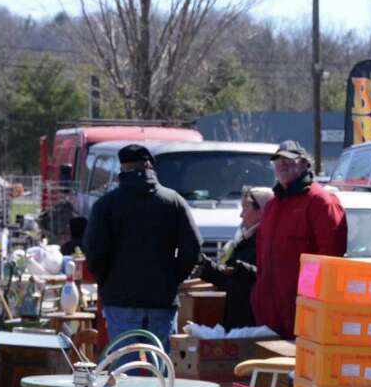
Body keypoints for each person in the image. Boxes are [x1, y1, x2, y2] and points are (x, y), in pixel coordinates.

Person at [82, 143, 202, 351]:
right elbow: (192, 247)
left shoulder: (106, 205)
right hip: (161, 299)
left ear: (122, 168)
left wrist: (108, 281)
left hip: (120, 299)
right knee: (160, 367)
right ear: (149, 166)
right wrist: (172, 278)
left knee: (126, 369)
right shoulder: (173, 201)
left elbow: (94, 252)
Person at [252, 140, 346, 339]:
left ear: (305, 164)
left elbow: (331, 256)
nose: (282, 165)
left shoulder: (321, 202)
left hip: (302, 309)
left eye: (290, 160)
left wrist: (306, 296)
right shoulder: (272, 205)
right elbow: (261, 254)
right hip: (269, 310)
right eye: (278, 161)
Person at [196, 185, 273, 330]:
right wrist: (207, 268)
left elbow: (269, 280)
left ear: (263, 211)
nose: (241, 215)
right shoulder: (244, 239)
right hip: (238, 319)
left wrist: (242, 270)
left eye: (246, 208)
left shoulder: (269, 241)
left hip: (254, 322)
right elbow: (230, 280)